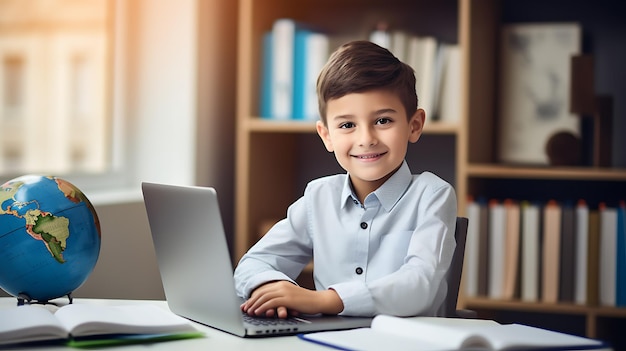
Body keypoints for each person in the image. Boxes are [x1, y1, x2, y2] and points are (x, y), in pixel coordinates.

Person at [234, 40, 457, 319]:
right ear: (327, 135)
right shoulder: (319, 196)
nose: (366, 139)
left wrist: (325, 300)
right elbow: (254, 262)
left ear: (414, 125)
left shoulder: (432, 195)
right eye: (347, 125)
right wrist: (273, 288)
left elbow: (419, 285)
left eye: (383, 121)